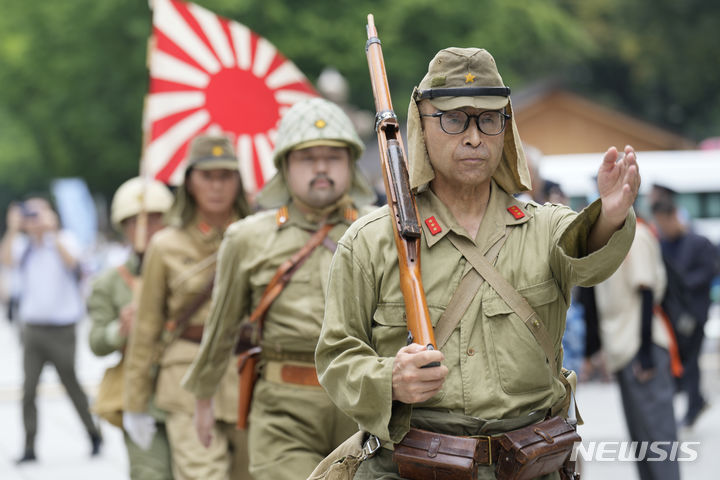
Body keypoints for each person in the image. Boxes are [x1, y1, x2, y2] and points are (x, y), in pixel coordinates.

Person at [315, 47, 639, 479]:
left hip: (530, 464)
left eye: (488, 119)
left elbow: (586, 254)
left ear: (505, 128)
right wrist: (389, 379)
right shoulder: (370, 241)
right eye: (454, 119)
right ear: (422, 124)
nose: (473, 136)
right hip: (412, 466)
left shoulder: (543, 228)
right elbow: (337, 357)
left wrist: (612, 215)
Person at [182, 97, 377, 480]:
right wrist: (203, 398)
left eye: (333, 157)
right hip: (284, 409)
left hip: (363, 404)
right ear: (285, 166)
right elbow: (221, 328)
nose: (321, 168)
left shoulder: (381, 230)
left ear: (351, 165)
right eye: (307, 158)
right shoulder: (247, 238)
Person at [123, 134, 252, 480]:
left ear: (238, 182)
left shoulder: (258, 238)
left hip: (247, 375)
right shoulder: (165, 246)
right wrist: (134, 403)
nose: (216, 186)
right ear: (189, 181)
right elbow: (147, 327)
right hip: (186, 376)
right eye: (207, 176)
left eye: (226, 176)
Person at [0, 196, 102, 464]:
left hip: (62, 329)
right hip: (32, 329)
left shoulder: (63, 239)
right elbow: (6, 260)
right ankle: (30, 446)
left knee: (72, 385)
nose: (33, 221)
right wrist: (12, 228)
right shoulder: (23, 245)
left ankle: (93, 433)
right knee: (29, 390)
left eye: (38, 214)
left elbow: (73, 264)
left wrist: (52, 231)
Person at [87, 177, 174, 479]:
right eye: (134, 221)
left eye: (154, 219)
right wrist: (119, 330)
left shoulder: (190, 272)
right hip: (142, 397)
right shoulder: (109, 283)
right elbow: (96, 342)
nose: (144, 229)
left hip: (185, 393)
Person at [594, 216, 680, 480]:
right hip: (625, 348)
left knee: (658, 443)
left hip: (642, 347)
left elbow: (646, 291)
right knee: (642, 441)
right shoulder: (611, 238)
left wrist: (645, 354)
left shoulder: (637, 235)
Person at [651, 198, 719, 428]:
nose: (662, 228)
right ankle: (696, 401)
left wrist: (683, 285)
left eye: (664, 222)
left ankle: (693, 407)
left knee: (690, 363)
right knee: (679, 363)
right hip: (672, 316)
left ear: (674, 217)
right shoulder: (661, 245)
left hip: (696, 314)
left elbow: (708, 272)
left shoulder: (699, 243)